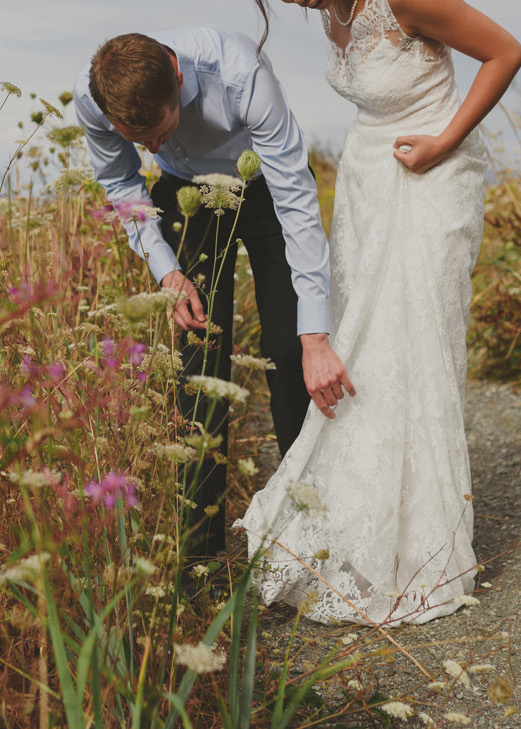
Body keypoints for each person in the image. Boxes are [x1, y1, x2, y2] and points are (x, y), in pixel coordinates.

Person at [236, 0, 521, 626]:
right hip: (368, 177)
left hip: (432, 171)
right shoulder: (335, 6)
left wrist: (446, 139)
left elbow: (504, 51)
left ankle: (423, 542)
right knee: (364, 339)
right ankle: (359, 518)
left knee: (417, 338)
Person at [74, 28, 353, 563]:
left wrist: (316, 333)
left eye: (157, 130)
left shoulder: (242, 74)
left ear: (178, 81)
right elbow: (121, 184)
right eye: (137, 138)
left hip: (268, 189)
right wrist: (166, 273)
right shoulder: (94, 98)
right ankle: (200, 554)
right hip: (187, 195)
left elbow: (297, 200)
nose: (151, 147)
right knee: (201, 362)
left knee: (289, 350)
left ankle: (305, 533)